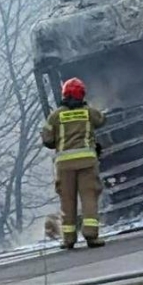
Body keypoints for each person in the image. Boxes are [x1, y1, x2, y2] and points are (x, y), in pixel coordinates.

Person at [41, 78, 106, 249]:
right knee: (89, 197)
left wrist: (61, 141)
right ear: (82, 94)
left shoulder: (54, 116)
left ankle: (68, 239)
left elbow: (47, 139)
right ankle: (91, 236)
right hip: (87, 163)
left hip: (64, 166)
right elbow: (101, 120)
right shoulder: (89, 112)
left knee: (67, 201)